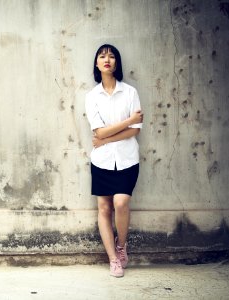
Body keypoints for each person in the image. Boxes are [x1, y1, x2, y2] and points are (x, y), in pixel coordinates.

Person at [85, 44, 143, 277]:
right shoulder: (92, 96)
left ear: (116, 63)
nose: (107, 59)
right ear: (97, 64)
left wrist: (107, 137)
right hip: (102, 161)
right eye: (102, 56)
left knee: (120, 203)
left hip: (128, 159)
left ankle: (122, 245)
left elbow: (136, 129)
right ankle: (113, 259)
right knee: (104, 207)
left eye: (111, 56)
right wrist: (127, 120)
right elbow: (98, 132)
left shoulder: (130, 92)